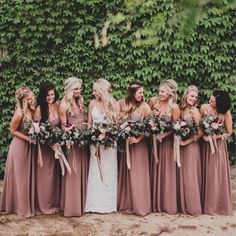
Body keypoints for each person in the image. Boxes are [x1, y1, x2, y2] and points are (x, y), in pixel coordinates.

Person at [0, 87, 36, 217]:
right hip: (20, 147)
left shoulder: (31, 110)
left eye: (32, 95)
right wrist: (28, 139)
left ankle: (26, 205)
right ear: (24, 99)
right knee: (21, 178)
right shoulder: (19, 113)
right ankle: (20, 207)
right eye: (29, 97)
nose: (32, 98)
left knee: (26, 177)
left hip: (29, 147)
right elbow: (13, 131)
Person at [118, 80, 151, 216]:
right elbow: (117, 122)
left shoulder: (145, 107)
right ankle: (127, 203)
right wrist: (123, 132)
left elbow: (150, 127)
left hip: (139, 145)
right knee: (126, 173)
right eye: (139, 93)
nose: (142, 95)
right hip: (125, 145)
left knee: (138, 173)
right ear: (132, 93)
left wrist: (137, 138)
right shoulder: (122, 103)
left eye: (142, 92)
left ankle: (140, 204)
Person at [85, 78, 119, 213]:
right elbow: (89, 123)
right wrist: (93, 135)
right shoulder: (92, 103)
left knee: (109, 170)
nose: (93, 93)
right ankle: (94, 204)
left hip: (109, 143)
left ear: (102, 90)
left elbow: (116, 125)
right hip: (95, 143)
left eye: (95, 90)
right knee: (95, 169)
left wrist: (107, 133)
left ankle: (108, 204)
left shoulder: (114, 104)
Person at [149, 79, 180, 214]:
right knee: (154, 169)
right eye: (159, 91)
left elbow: (176, 127)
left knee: (166, 172)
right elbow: (148, 119)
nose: (160, 94)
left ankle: (166, 202)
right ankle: (153, 203)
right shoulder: (153, 102)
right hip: (154, 142)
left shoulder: (174, 107)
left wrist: (164, 135)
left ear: (170, 93)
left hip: (167, 144)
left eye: (162, 92)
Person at [59, 77, 88, 217]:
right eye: (76, 89)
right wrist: (70, 139)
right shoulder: (64, 105)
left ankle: (82, 204)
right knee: (74, 173)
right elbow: (64, 126)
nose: (78, 91)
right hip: (72, 143)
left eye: (79, 88)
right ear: (69, 89)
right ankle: (72, 206)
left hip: (82, 142)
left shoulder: (79, 101)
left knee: (81, 170)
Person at [200, 90, 232, 215]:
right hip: (204, 145)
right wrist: (204, 136)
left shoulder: (226, 114)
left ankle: (215, 204)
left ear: (219, 104)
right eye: (210, 99)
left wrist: (215, 137)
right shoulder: (204, 108)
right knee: (205, 172)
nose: (209, 101)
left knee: (215, 173)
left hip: (217, 147)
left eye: (213, 101)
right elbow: (200, 126)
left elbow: (229, 132)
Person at [34, 82, 60, 214]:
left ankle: (54, 202)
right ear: (43, 96)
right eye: (47, 95)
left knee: (55, 175)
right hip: (45, 147)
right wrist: (50, 142)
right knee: (45, 175)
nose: (50, 97)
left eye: (52, 94)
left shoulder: (57, 105)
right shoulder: (40, 108)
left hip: (56, 147)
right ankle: (43, 205)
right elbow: (37, 130)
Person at [177, 85, 202, 215]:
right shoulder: (181, 110)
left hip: (191, 147)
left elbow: (200, 133)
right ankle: (182, 205)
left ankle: (193, 207)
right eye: (191, 96)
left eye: (195, 97)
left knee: (190, 175)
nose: (193, 99)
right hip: (180, 146)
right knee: (182, 175)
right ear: (186, 95)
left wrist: (185, 142)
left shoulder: (195, 112)